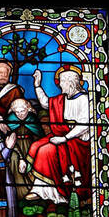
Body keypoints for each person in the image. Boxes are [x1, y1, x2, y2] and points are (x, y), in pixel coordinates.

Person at [26, 67, 91, 208]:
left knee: (46, 150)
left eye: (62, 82)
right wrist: (37, 85)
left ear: (71, 83)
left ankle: (58, 194)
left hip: (78, 142)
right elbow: (45, 103)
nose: (59, 84)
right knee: (36, 146)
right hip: (64, 137)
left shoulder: (84, 100)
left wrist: (65, 138)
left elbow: (84, 125)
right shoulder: (61, 99)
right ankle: (41, 190)